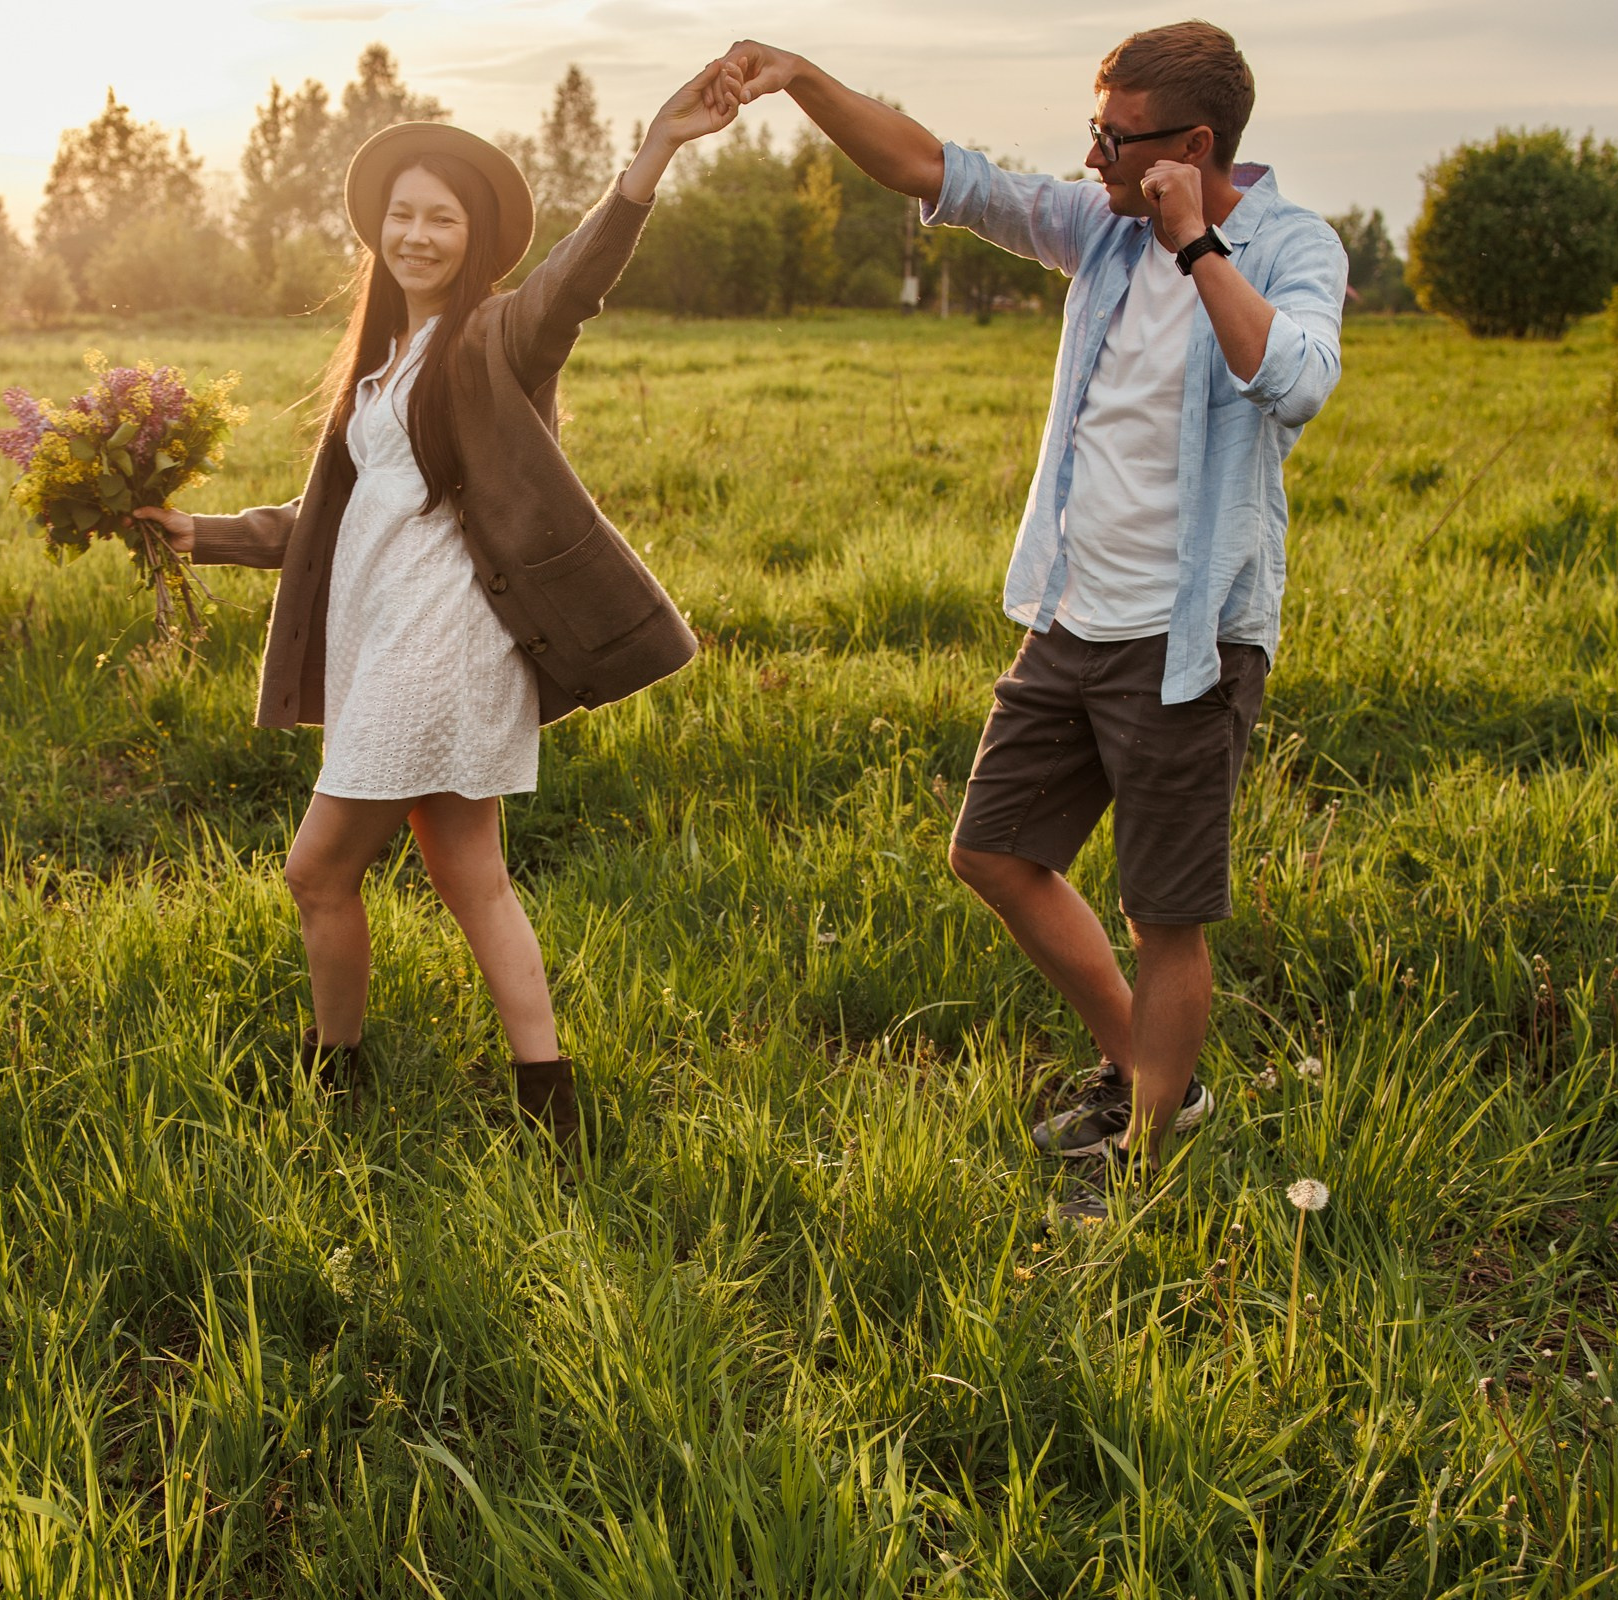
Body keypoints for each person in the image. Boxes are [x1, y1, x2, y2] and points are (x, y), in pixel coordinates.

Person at [722, 23, 1346, 1216]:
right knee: (993, 850)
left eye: (1119, 136)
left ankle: (1147, 1164)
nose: (1095, 154)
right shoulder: (1095, 226)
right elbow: (938, 172)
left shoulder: (1290, 245)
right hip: (1068, 617)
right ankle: (1154, 1073)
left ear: (1195, 145)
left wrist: (1197, 246)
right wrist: (798, 78)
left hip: (1189, 638)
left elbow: (1298, 379)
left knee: (1165, 914)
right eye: (1095, 128)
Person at [134, 64, 742, 1158]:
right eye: (402, 215)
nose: (417, 234)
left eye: (440, 217)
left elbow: (579, 280)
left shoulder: (494, 339)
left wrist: (650, 157)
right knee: (472, 873)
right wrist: (202, 531)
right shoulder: (377, 371)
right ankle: (548, 1102)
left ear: (473, 237)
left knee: (317, 870)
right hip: (394, 647)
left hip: (441, 647)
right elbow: (333, 524)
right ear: (380, 230)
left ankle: (333, 1083)